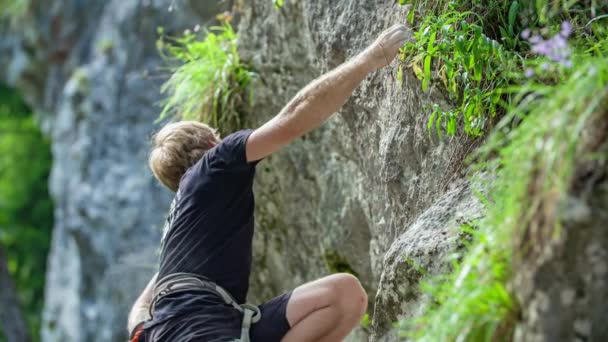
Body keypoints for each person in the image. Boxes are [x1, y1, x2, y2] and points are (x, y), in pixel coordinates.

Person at [127, 24, 412, 342]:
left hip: (194, 330)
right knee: (343, 298)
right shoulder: (216, 163)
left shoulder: (177, 234)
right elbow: (294, 115)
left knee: (344, 295)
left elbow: (138, 314)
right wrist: (373, 57)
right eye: (217, 137)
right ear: (209, 140)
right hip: (203, 333)